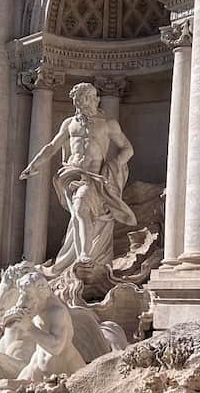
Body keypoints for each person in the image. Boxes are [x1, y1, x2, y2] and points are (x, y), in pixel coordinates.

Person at [20, 82, 135, 276]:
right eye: (84, 98)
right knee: (77, 214)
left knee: (81, 209)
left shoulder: (108, 123)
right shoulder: (69, 123)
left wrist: (112, 168)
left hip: (94, 177)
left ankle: (84, 255)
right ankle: (80, 256)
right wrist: (34, 165)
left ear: (97, 99)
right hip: (70, 175)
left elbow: (128, 149)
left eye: (91, 98)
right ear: (77, 101)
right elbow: (51, 147)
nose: (88, 102)